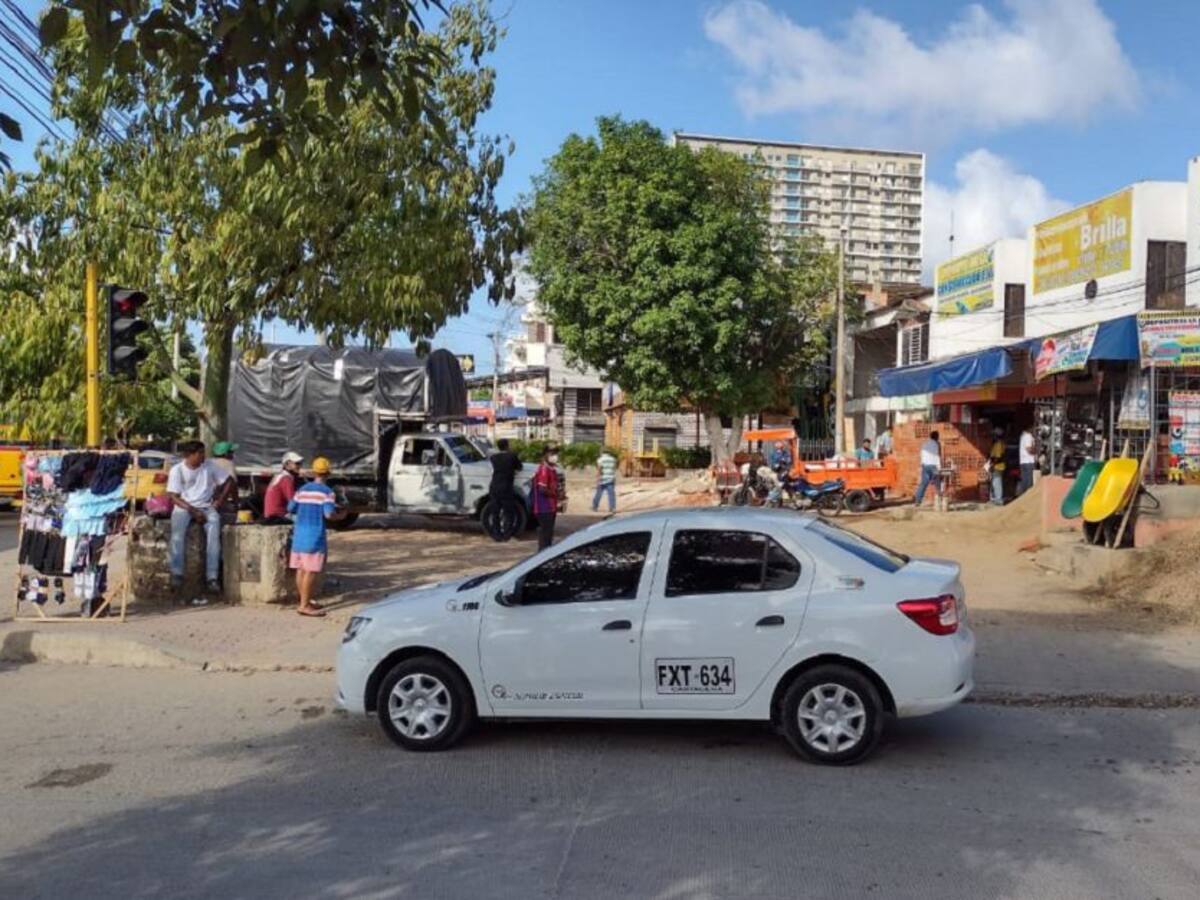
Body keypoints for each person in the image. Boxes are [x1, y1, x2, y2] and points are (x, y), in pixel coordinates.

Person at [167, 441, 234, 596]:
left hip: (206, 506)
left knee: (214, 537)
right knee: (177, 536)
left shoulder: (209, 466)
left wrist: (218, 502)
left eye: (203, 452)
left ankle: (212, 577)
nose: (203, 456)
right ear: (189, 455)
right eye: (199, 453)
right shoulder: (177, 470)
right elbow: (173, 496)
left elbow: (229, 481)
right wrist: (192, 510)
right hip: (184, 506)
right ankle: (177, 573)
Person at [287, 457, 339, 617]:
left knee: (301, 570)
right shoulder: (328, 493)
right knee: (310, 571)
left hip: (299, 535)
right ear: (328, 473)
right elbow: (329, 514)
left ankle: (304, 601)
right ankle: (304, 605)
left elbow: (291, 507)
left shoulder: (302, 490)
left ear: (314, 472)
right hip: (314, 535)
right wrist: (341, 515)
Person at [487, 438, 523, 539]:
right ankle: (507, 534)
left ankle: (496, 534)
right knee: (508, 512)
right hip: (506, 487)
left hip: (494, 486)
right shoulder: (512, 456)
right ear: (507, 446)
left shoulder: (493, 457)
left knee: (495, 512)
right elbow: (520, 467)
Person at [531, 445, 560, 550]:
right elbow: (542, 490)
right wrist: (556, 494)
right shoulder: (544, 469)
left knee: (548, 534)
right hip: (544, 507)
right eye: (552, 454)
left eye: (556, 454)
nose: (555, 456)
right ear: (545, 456)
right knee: (546, 535)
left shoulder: (552, 469)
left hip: (550, 507)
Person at [261, 451, 303, 525]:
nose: (299, 466)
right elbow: (292, 504)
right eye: (297, 463)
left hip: (271, 515)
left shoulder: (280, 476)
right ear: (287, 464)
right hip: (279, 515)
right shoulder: (286, 479)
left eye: (300, 463)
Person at [210, 440, 240, 522]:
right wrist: (236, 505)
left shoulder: (209, 462)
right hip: (218, 502)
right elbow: (233, 486)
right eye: (232, 452)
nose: (233, 455)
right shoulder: (228, 464)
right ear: (226, 454)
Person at [913, 430, 942, 507]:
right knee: (937, 483)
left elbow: (921, 454)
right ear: (936, 437)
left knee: (923, 484)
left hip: (925, 465)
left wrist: (922, 465)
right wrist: (939, 467)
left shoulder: (924, 444)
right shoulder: (937, 444)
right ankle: (940, 500)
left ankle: (917, 501)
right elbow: (938, 455)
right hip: (933, 466)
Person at [592, 448, 618, 514]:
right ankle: (612, 508)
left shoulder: (600, 460)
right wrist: (613, 477)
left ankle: (595, 507)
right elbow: (614, 469)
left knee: (598, 494)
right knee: (611, 494)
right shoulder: (613, 459)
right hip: (610, 478)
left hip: (602, 479)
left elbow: (599, 470)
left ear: (602, 453)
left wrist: (597, 479)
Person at [987, 427, 1007, 506]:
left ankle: (999, 500)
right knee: (994, 483)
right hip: (997, 465)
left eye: (994, 435)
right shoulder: (997, 443)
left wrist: (992, 464)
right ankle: (995, 499)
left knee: (997, 483)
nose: (992, 436)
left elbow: (998, 457)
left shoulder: (998, 444)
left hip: (998, 466)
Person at [1019, 427, 1036, 496]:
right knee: (1029, 482)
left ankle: (1024, 497)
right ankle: (1028, 497)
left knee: (1025, 481)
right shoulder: (1028, 436)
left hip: (1023, 461)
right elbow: (1029, 449)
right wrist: (1036, 451)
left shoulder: (1023, 436)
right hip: (1028, 461)